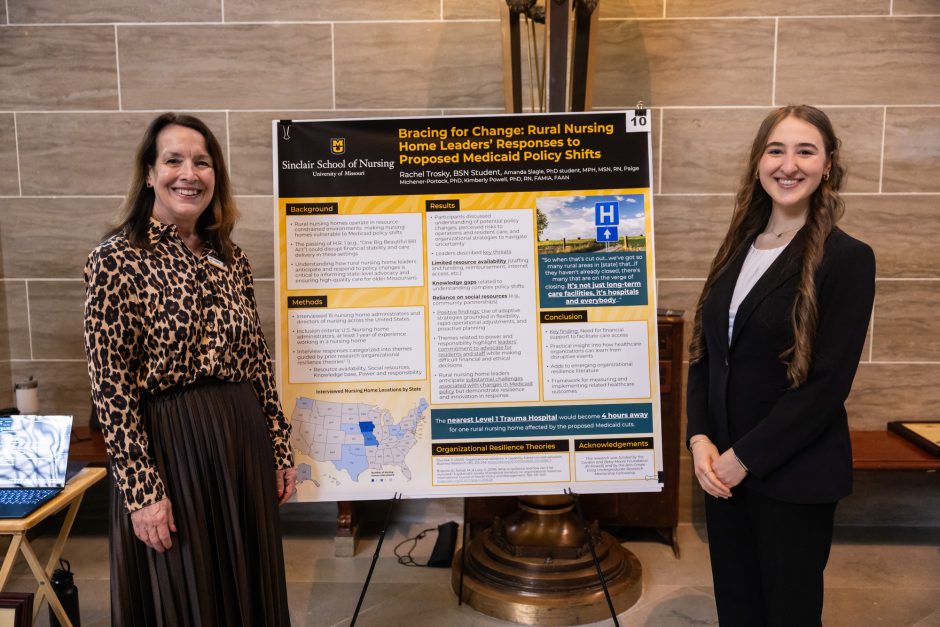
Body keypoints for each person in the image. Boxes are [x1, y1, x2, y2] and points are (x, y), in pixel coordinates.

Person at [83, 113, 297, 626]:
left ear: (215, 176)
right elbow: (110, 387)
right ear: (150, 172)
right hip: (171, 447)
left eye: (202, 162)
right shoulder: (118, 260)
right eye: (174, 159)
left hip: (240, 441)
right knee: (182, 592)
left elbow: (257, 363)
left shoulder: (232, 258)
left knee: (247, 586)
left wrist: (279, 446)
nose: (189, 173)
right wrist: (141, 491)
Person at [686, 105, 875, 626]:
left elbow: (827, 384)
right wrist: (699, 439)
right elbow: (705, 352)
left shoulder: (848, 259)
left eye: (805, 150)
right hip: (721, 473)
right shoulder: (737, 250)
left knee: (787, 614)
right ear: (758, 162)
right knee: (739, 609)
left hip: (792, 475)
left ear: (828, 165)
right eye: (776, 150)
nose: (788, 164)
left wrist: (742, 458)